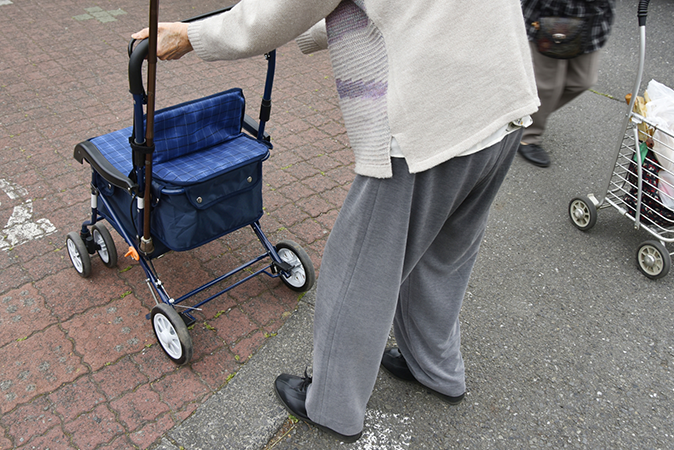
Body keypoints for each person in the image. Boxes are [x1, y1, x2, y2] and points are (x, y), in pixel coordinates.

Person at [133, 0, 539, 442]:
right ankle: (437, 368)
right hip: (501, 98)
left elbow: (279, 10)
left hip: (429, 117)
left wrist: (193, 36)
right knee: (444, 256)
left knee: (359, 272)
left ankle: (332, 406)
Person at [518, 0, 615, 168]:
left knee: (583, 81)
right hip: (551, 15)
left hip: (593, 20)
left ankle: (522, 114)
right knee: (548, 86)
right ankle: (526, 136)